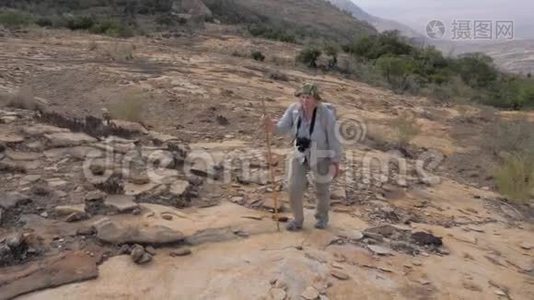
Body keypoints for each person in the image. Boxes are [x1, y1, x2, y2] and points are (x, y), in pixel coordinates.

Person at [264, 83, 342, 231]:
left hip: (321, 155)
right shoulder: (293, 110)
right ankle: (298, 220)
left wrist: (335, 162)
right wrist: (271, 126)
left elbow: (334, 139)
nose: (305, 101)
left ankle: (322, 218)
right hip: (300, 153)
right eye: (302, 97)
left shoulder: (326, 114)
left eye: (309, 98)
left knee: (321, 189)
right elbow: (281, 129)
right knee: (293, 187)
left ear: (316, 100)